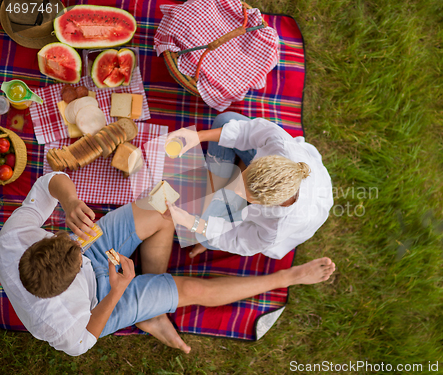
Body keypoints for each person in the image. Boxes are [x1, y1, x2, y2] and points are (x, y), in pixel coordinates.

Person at [0, 172, 335, 356]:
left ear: (41, 242)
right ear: (65, 285)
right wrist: (117, 292)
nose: (79, 244)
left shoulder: (13, 237)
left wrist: (70, 200)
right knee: (190, 289)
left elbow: (49, 181)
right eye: (76, 253)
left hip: (77, 262)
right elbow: (86, 341)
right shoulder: (60, 327)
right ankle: (287, 276)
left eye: (62, 238)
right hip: (99, 302)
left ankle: (152, 309)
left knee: (162, 206)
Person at [165, 112, 334, 259]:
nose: (233, 188)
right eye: (243, 176)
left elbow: (237, 240)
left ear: (265, 204)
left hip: (291, 217)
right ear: (262, 160)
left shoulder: (276, 228)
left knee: (205, 238)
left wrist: (192, 223)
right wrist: (199, 136)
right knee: (226, 120)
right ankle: (223, 192)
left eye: (244, 193)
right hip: (273, 171)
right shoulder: (280, 144)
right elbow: (246, 131)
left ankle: (222, 193)